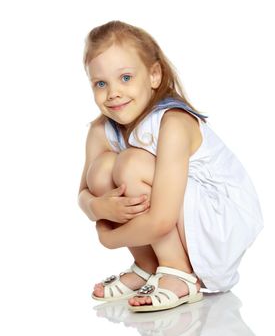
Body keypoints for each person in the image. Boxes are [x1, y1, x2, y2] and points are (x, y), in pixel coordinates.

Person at [78, 20, 264, 312]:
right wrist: (98, 208)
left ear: (153, 75)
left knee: (130, 163)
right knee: (101, 170)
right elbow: (84, 193)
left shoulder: (174, 122)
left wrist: (107, 237)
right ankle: (148, 267)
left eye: (125, 78)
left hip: (218, 226)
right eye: (101, 83)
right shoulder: (101, 129)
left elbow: (162, 220)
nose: (113, 92)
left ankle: (179, 274)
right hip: (180, 221)